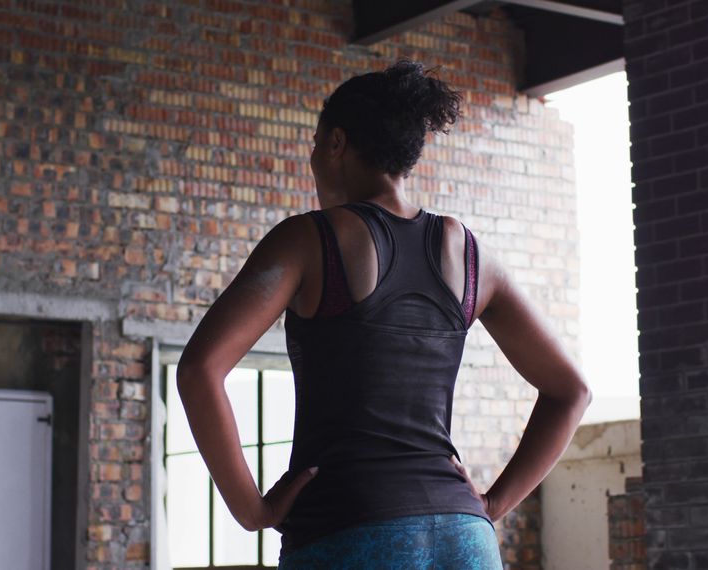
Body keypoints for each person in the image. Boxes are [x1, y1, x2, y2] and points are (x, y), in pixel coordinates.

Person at [177, 60, 592, 568]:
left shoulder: (310, 239)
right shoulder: (472, 257)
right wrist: (490, 505)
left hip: (349, 529)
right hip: (465, 541)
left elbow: (200, 369)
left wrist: (251, 509)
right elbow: (571, 391)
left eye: (314, 143)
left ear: (336, 144)